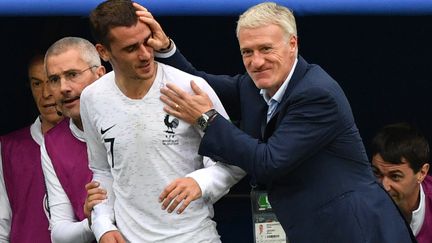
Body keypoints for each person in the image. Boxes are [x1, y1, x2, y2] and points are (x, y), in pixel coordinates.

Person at [137, 2, 416, 242]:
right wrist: (165, 50)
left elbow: (268, 162)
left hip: (356, 230)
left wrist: (208, 119)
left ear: (292, 44)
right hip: (313, 228)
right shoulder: (255, 85)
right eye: (247, 52)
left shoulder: (317, 94)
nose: (256, 62)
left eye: (266, 49)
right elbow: (201, 85)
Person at [82, 0, 244, 242]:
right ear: (103, 52)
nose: (146, 54)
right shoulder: (92, 97)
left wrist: (199, 181)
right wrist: (103, 224)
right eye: (130, 48)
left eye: (147, 42)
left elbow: (235, 160)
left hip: (194, 236)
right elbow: (103, 169)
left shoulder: (190, 87)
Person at [41, 36, 106, 243]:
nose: (63, 88)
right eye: (54, 79)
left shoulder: (135, 116)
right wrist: (92, 221)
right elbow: (59, 233)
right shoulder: (53, 143)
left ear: (100, 74)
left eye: (72, 75)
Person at [0, 53, 62, 242]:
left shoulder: (93, 142)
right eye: (37, 83)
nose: (45, 94)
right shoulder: (8, 147)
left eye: (52, 81)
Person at [371, 123, 432, 243]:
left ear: (422, 173)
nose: (384, 186)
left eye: (395, 176)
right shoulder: (357, 206)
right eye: (376, 173)